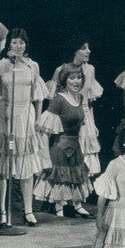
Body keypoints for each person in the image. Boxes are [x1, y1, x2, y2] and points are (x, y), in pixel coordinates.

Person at [0, 28, 47, 225]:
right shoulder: (0, 65)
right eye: (15, 42)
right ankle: (2, 211)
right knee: (2, 166)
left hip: (25, 115)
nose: (18, 46)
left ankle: (28, 211)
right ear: (8, 44)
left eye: (22, 42)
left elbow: (38, 94)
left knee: (26, 165)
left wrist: (37, 118)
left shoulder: (32, 65)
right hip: (5, 114)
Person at [34, 65, 95, 217]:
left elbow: (81, 126)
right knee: (61, 177)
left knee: (76, 175)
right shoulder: (59, 100)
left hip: (75, 146)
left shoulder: (80, 98)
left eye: (79, 77)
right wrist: (46, 158)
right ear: (65, 80)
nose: (76, 81)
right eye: (72, 78)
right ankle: (59, 208)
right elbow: (45, 132)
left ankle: (77, 204)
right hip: (60, 147)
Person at [47, 38, 104, 176]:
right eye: (83, 48)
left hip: (85, 118)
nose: (88, 51)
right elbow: (53, 102)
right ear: (74, 51)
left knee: (85, 160)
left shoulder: (90, 69)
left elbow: (89, 100)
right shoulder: (61, 70)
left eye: (88, 48)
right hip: (67, 119)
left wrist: (93, 123)